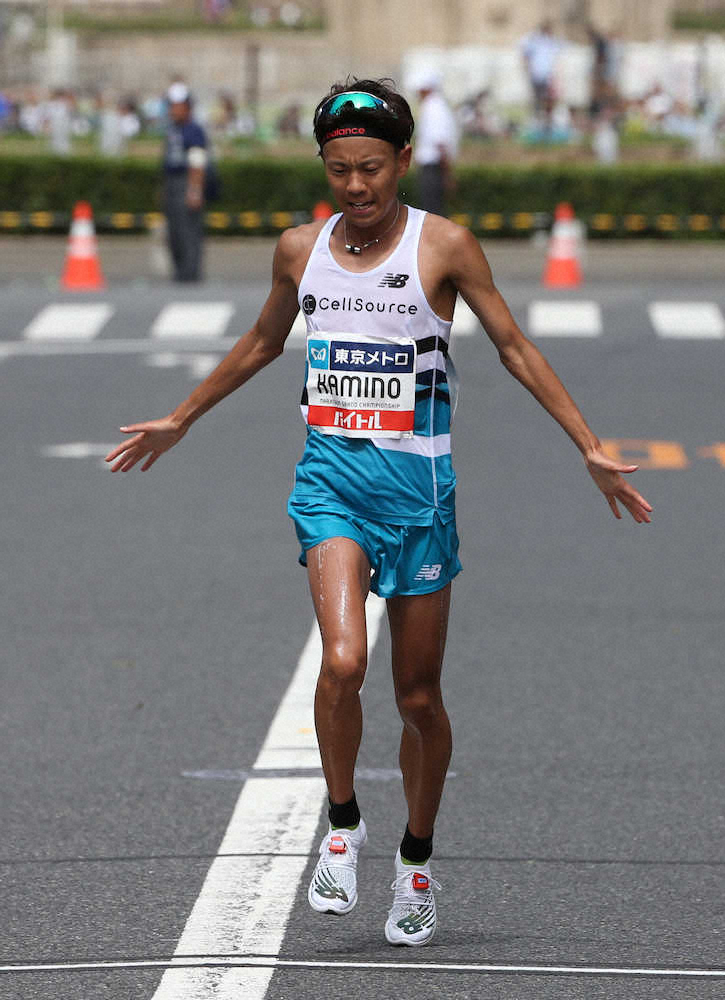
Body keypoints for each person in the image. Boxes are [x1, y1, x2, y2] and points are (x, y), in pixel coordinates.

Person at [105, 77, 652, 947]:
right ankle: (343, 825)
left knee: (419, 697)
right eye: (337, 171)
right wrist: (181, 417)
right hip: (331, 484)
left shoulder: (445, 247)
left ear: (403, 162)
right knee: (342, 662)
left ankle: (416, 864)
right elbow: (260, 341)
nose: (354, 188)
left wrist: (585, 442)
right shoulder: (299, 249)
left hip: (421, 496)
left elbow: (512, 344)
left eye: (369, 169)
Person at [162, 82, 208, 282]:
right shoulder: (173, 129)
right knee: (174, 231)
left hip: (186, 182)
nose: (173, 110)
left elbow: (197, 162)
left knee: (188, 231)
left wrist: (194, 190)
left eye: (176, 105)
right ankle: (179, 270)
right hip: (172, 183)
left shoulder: (193, 130)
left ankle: (190, 273)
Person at [412, 69, 458, 217]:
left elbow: (440, 142)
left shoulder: (434, 107)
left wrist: (447, 174)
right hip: (433, 167)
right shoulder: (433, 106)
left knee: (433, 213)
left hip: (434, 168)